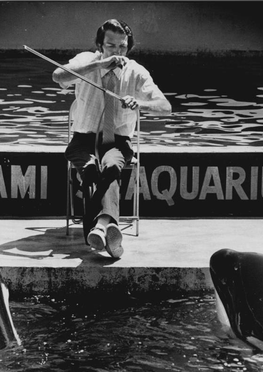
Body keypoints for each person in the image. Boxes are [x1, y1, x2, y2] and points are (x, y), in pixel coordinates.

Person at [52, 19, 171, 258]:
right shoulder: (87, 60)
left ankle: (99, 228)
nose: (117, 53)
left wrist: (141, 103)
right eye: (110, 46)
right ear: (99, 45)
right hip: (83, 139)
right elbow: (58, 75)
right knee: (90, 168)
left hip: (117, 141)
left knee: (111, 165)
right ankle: (106, 226)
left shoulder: (136, 72)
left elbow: (165, 106)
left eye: (122, 47)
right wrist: (98, 65)